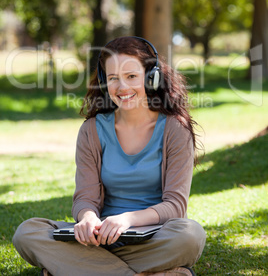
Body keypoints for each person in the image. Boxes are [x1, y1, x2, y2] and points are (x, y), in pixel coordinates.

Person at [13, 36, 206, 276]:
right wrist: (88, 218)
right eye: (113, 78)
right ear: (104, 81)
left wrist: (126, 220)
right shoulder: (92, 130)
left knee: (190, 235)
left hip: (154, 237)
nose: (122, 87)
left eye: (131, 76)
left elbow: (175, 206)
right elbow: (85, 198)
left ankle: (79, 268)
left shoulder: (175, 130)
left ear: (151, 77)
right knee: (28, 232)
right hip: (99, 238)